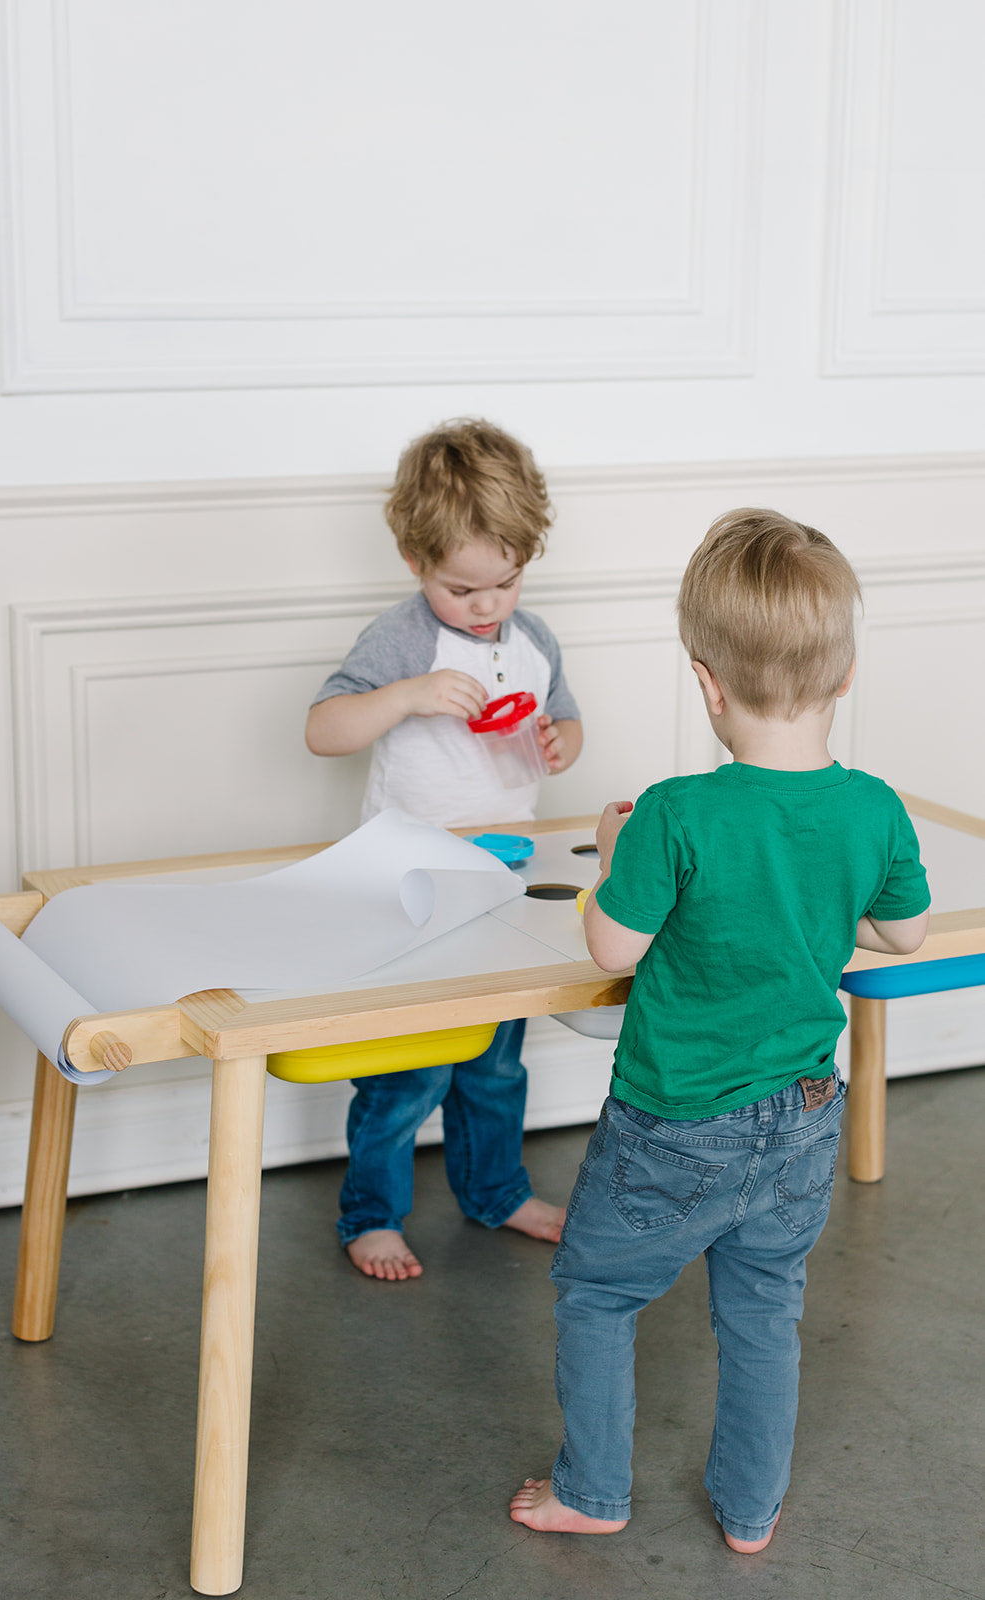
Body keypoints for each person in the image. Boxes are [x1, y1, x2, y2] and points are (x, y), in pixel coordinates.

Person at [510, 508, 930, 1552]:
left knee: (598, 1294)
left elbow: (610, 948)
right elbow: (904, 930)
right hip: (800, 1113)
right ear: (841, 679)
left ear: (703, 679)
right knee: (761, 1311)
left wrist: (613, 853)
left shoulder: (673, 812)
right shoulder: (871, 806)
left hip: (673, 1122)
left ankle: (593, 1493)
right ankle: (748, 1514)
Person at [306, 418, 583, 1282]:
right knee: (410, 1071)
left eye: (504, 582)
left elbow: (565, 719)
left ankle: (495, 1191)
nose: (487, 605)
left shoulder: (532, 638)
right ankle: (371, 1214)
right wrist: (408, 696)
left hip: (500, 881)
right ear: (414, 559)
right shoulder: (403, 640)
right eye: (463, 589)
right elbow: (323, 729)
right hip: (410, 882)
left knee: (496, 1063)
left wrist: (559, 742)